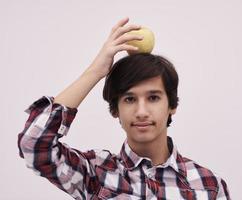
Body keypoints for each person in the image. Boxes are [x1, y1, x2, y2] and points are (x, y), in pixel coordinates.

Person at [18, 17, 231, 200]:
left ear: (172, 105)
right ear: (115, 110)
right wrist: (96, 71)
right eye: (129, 99)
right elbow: (34, 145)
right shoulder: (95, 173)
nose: (141, 111)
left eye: (153, 98)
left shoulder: (208, 187)